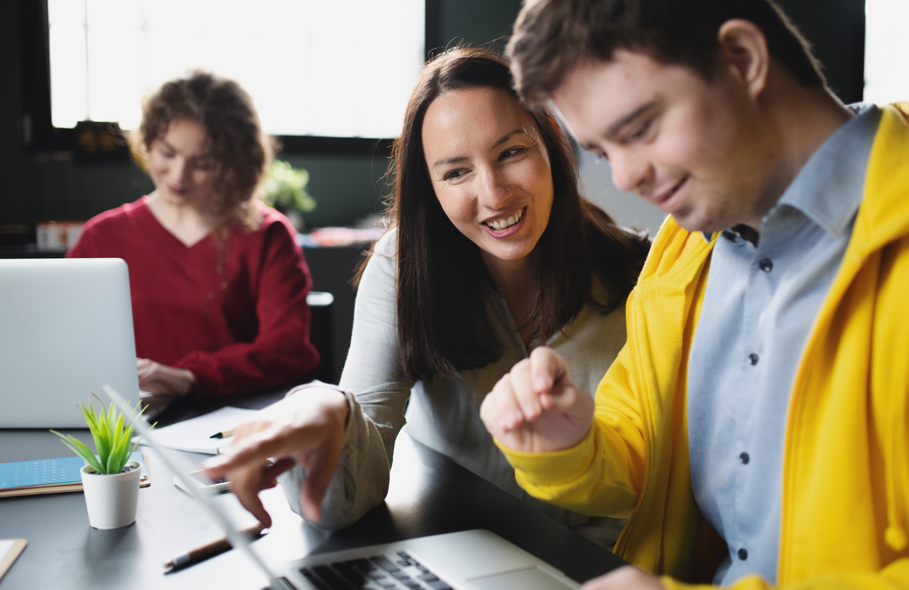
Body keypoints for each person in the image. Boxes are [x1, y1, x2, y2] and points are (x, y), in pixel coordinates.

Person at [479, 0, 909, 589]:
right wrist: (571, 441)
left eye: (640, 128)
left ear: (743, 59)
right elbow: (649, 454)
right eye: (604, 152)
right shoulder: (684, 246)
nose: (626, 179)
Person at [202, 48, 650, 546]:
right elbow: (345, 495)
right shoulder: (402, 267)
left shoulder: (643, 272)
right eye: (456, 172)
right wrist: (327, 410)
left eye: (510, 153)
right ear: (430, 187)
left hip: (613, 567)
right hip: (465, 556)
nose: (494, 193)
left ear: (550, 140)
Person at [67, 71, 319, 399]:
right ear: (148, 143)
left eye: (202, 163)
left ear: (233, 164)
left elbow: (285, 350)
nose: (178, 175)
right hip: (123, 422)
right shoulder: (101, 237)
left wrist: (189, 377)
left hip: (231, 422)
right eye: (167, 154)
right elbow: (65, 340)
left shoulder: (266, 234)